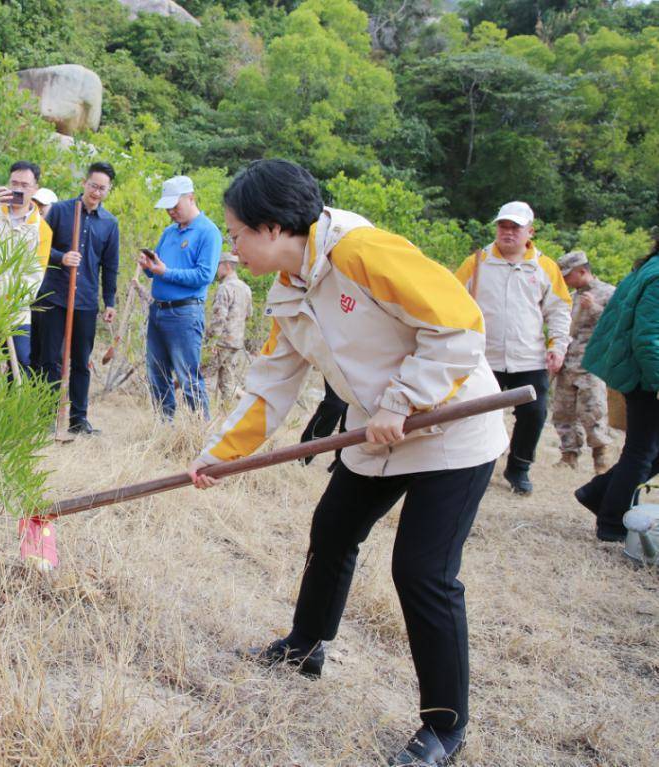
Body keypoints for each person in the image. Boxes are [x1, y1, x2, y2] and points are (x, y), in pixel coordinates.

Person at [188, 159, 507, 767]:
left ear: (275, 227)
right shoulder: (287, 293)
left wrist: (404, 400)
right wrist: (219, 455)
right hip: (377, 430)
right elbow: (270, 385)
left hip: (450, 425)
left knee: (422, 572)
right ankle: (306, 647)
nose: (233, 245)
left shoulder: (362, 252)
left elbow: (459, 324)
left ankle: (445, 726)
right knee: (332, 531)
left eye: (236, 233)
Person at [454, 201, 572, 495]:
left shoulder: (546, 266)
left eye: (515, 227)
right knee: (472, 411)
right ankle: (468, 463)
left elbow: (559, 310)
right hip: (484, 356)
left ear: (529, 231)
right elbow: (454, 301)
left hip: (528, 357)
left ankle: (519, 467)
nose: (507, 232)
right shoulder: (477, 262)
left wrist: (558, 345)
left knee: (534, 414)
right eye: (503, 226)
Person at [574, 240, 659, 542]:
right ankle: (612, 524)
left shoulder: (651, 268)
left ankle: (597, 494)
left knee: (649, 451)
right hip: (646, 376)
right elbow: (648, 337)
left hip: (643, 372)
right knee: (642, 452)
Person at [34, 162, 120, 435]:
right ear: (84, 183)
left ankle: (78, 420)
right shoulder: (60, 211)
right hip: (54, 296)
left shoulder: (109, 223)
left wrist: (110, 302)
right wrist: (61, 257)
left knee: (81, 361)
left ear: (108, 190)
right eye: (93, 185)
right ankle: (45, 417)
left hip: (84, 299)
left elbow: (110, 265)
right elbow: (37, 245)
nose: (96, 192)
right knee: (49, 359)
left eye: (102, 188)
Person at [138, 175, 222, 420]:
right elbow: (159, 271)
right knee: (157, 373)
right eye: (168, 208)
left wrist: (165, 271)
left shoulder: (208, 232)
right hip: (158, 310)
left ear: (191, 198)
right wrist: (148, 266)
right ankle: (165, 426)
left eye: (175, 206)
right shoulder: (168, 232)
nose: (171, 212)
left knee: (187, 376)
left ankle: (198, 430)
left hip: (185, 313)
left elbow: (204, 275)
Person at [0, 161, 52, 375]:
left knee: (21, 363)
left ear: (35, 188)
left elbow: (35, 274)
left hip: (15, 309)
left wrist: (11, 297)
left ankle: (6, 407)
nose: (18, 189)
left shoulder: (41, 229)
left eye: (25, 185)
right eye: (14, 183)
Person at [552, 250, 616, 472]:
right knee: (563, 411)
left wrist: (596, 309)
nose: (565, 280)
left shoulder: (609, 293)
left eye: (568, 275)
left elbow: (617, 328)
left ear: (582, 271)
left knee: (593, 411)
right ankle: (568, 455)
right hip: (567, 362)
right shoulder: (569, 296)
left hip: (591, 364)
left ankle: (601, 458)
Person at [202, 251, 252, 402]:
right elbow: (248, 314)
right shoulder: (245, 288)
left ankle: (196, 412)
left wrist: (211, 340)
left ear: (227, 266)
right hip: (236, 342)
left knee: (199, 376)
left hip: (221, 342)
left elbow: (219, 318)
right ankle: (226, 414)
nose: (216, 270)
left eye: (218, 266)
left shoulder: (225, 288)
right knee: (227, 381)